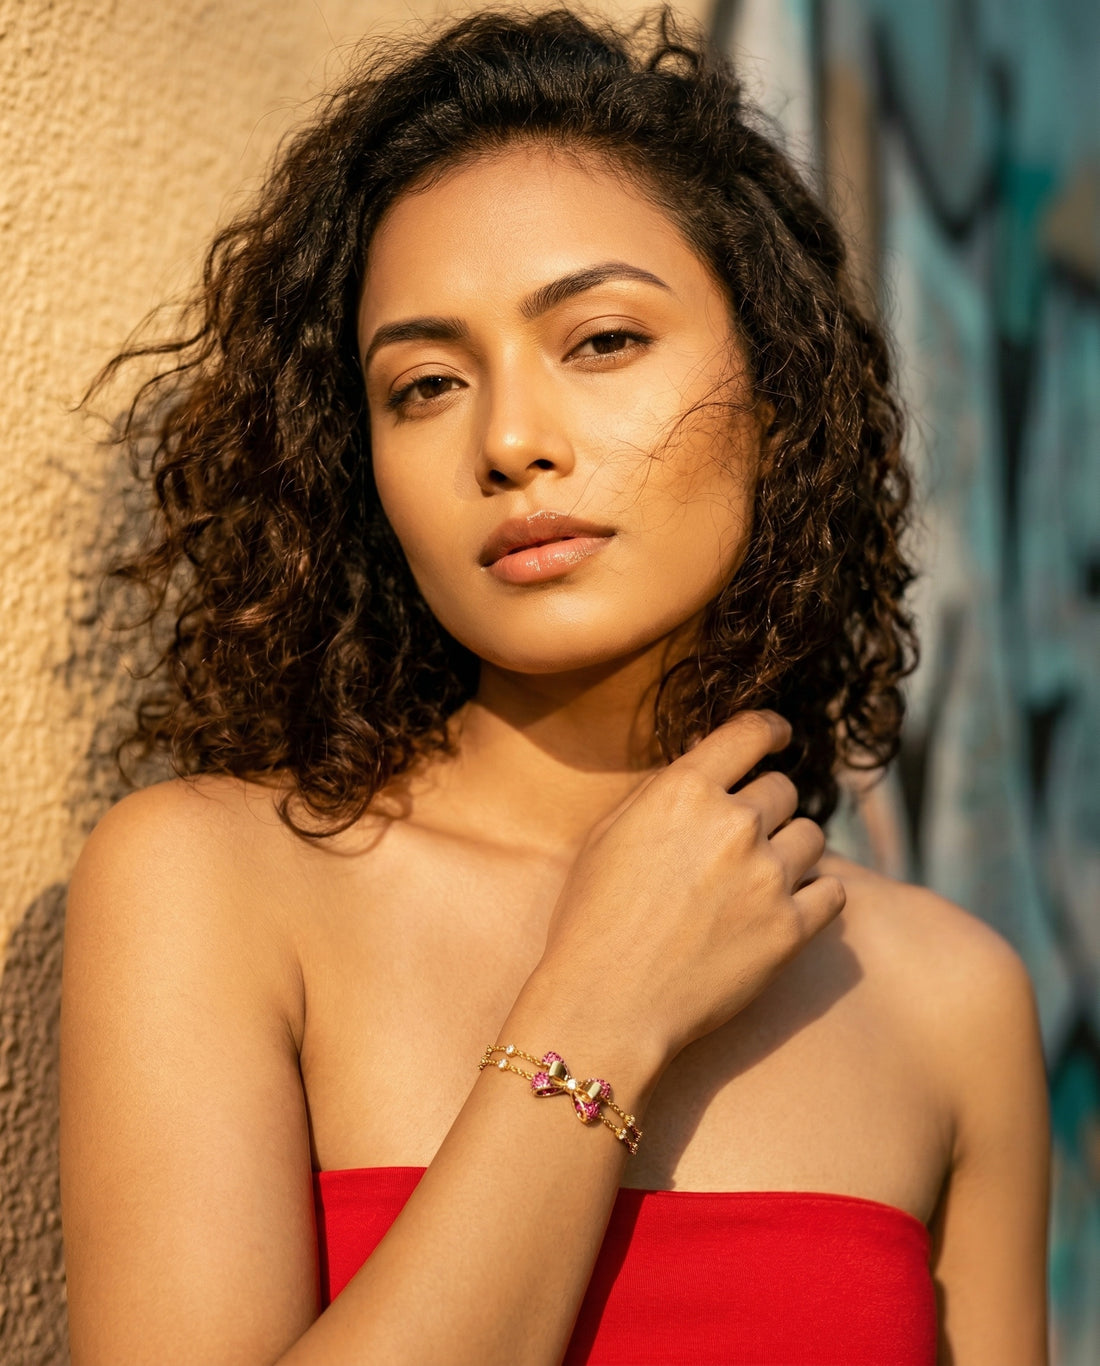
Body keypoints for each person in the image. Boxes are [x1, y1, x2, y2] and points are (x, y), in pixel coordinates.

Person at [59, 7, 1051, 1363]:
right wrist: (599, 1005)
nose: (512, 439)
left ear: (776, 383)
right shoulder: (213, 886)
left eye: (600, 342)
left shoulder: (952, 1000)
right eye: (422, 384)